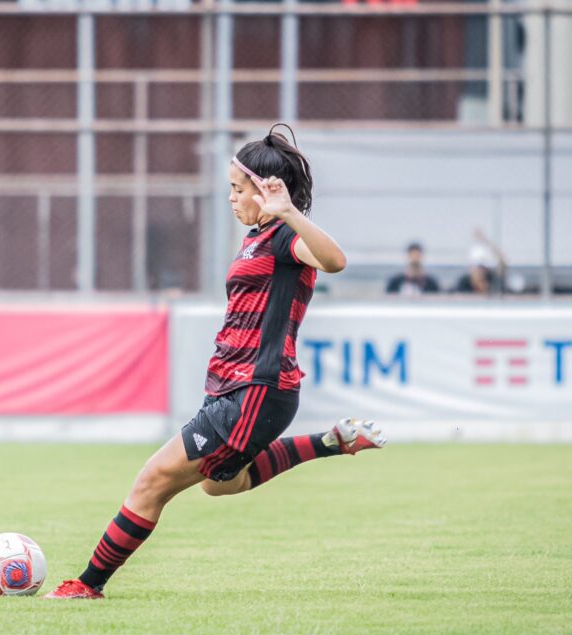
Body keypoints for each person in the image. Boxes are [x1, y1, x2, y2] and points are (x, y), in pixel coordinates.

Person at [43, 123, 386, 600]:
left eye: (236, 188)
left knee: (153, 481)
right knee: (219, 485)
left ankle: (87, 585)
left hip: (254, 391)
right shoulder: (257, 238)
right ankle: (331, 442)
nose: (230, 197)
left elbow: (335, 261)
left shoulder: (286, 239)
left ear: (265, 191)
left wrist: (288, 212)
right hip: (238, 392)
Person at [453, 228, 508, 295]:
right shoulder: (464, 283)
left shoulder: (493, 280)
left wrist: (486, 241)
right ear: (471, 268)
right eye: (478, 267)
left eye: (483, 267)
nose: (480, 271)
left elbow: (503, 262)